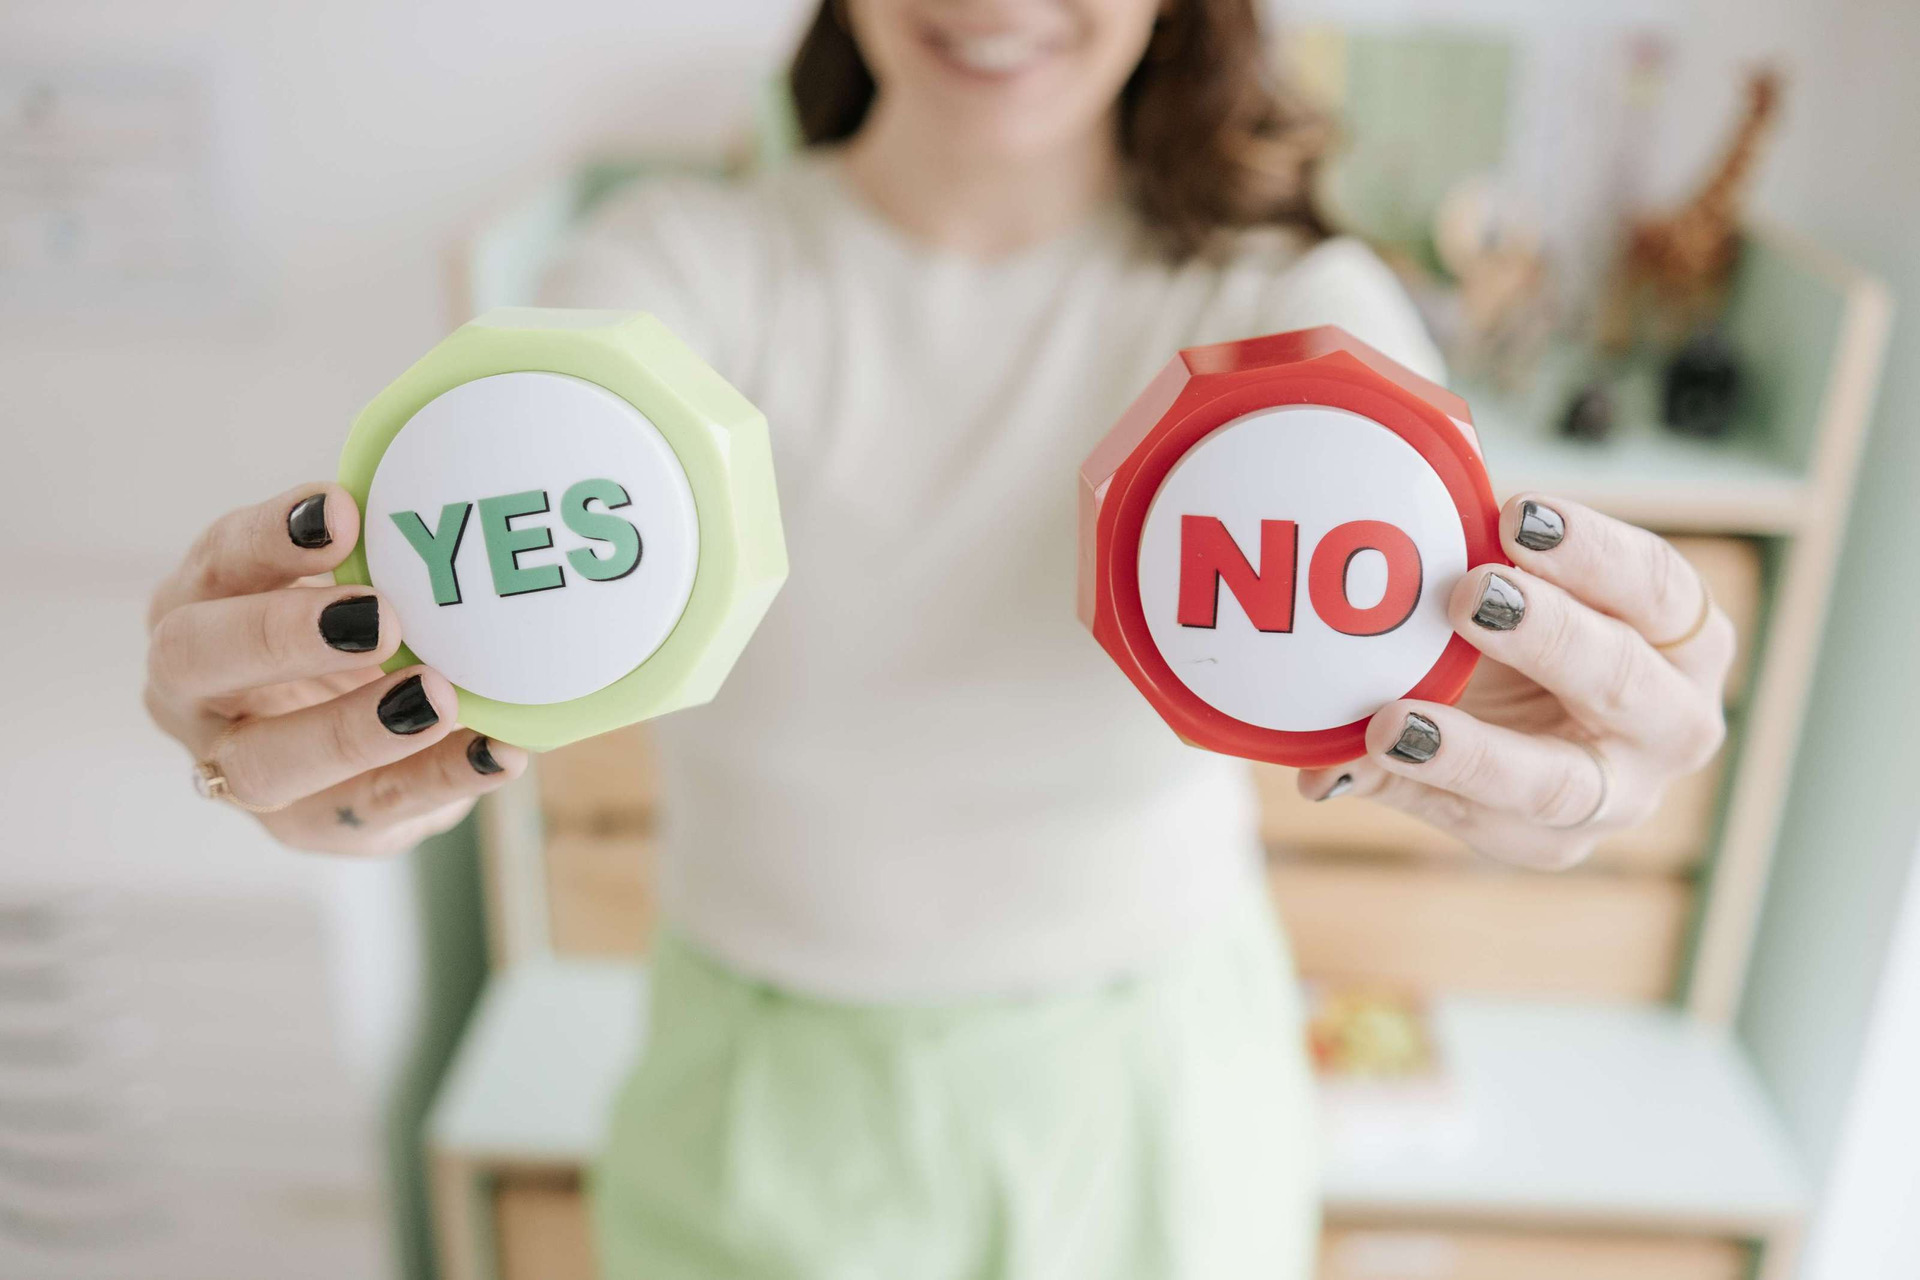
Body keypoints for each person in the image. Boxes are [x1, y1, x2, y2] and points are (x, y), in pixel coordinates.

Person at [142, 0, 1735, 1274]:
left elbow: (1396, 460)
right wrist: (326, 731)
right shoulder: (689, 261)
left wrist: (1564, 715)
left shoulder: (1280, 304)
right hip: (753, 1122)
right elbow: (563, 388)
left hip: (1156, 1122)